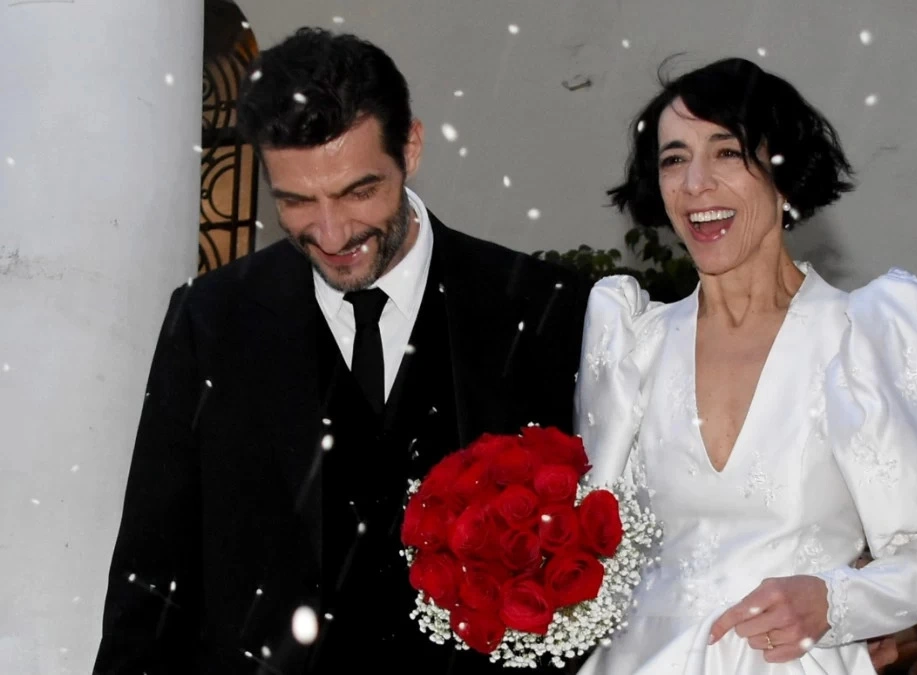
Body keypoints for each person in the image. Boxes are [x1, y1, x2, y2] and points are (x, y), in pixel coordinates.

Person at [94, 28, 588, 674]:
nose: (330, 233)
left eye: (358, 191)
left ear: (410, 147)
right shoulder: (211, 321)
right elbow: (153, 573)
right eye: (297, 201)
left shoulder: (544, 309)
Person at [573, 57, 917, 674]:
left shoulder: (862, 337)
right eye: (673, 159)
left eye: (727, 152)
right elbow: (596, 547)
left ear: (784, 177)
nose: (695, 183)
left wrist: (836, 602)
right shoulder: (631, 344)